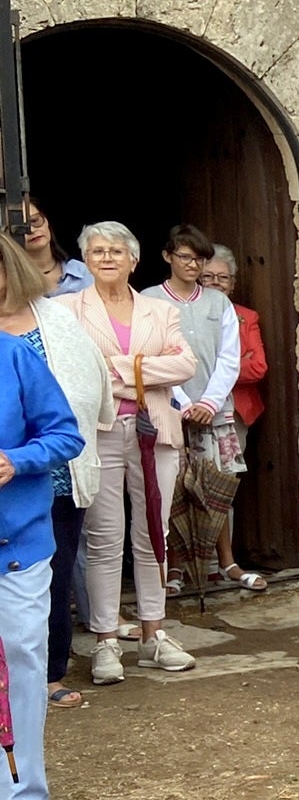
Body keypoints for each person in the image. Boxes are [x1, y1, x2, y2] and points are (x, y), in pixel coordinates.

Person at [64, 222, 198, 682]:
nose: (106, 258)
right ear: (85, 260)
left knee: (153, 534)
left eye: (116, 251)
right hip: (99, 432)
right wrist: (143, 371)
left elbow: (186, 363)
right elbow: (74, 371)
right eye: (97, 251)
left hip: (153, 430)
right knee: (104, 538)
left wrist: (122, 368)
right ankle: (104, 641)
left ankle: (153, 634)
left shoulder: (158, 311)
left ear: (133, 261)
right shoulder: (66, 310)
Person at [0, 236, 110, 715]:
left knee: (56, 574)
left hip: (51, 473)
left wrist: (21, 458)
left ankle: (48, 675)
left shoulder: (53, 319)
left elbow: (87, 384)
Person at [0, 322, 85, 800]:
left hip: (18, 544)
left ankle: (22, 793)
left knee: (23, 655)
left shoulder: (14, 356)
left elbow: (65, 434)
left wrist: (16, 459)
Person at [140, 225, 242, 596]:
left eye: (199, 259)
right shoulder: (150, 300)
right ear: (168, 256)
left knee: (216, 488)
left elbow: (229, 358)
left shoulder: (219, 303)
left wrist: (209, 403)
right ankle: (176, 566)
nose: (193, 265)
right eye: (185, 257)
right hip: (168, 411)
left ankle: (225, 561)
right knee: (173, 490)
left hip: (214, 411)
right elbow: (151, 355)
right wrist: (183, 403)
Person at [198, 248, 270, 591]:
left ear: (233, 283)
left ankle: (220, 563)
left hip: (233, 412)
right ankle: (189, 566)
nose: (214, 283)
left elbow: (258, 367)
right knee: (185, 486)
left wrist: (215, 370)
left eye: (222, 277)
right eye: (207, 276)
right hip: (188, 408)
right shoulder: (184, 311)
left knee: (223, 487)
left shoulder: (245, 317)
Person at [18, 197, 89, 296]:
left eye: (35, 221)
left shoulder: (85, 273)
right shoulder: (10, 282)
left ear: (47, 221)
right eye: (21, 227)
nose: (32, 230)